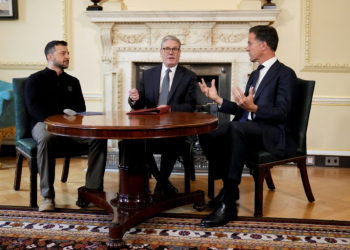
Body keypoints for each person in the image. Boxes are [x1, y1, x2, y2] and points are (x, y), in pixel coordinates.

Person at [198, 25, 299, 226]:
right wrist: (218, 99)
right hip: (247, 128)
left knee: (237, 129)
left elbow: (283, 113)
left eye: (249, 43)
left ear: (263, 45)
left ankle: (228, 203)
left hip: (272, 132)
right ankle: (231, 189)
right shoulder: (255, 74)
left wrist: (254, 108)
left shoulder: (285, 74)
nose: (247, 48)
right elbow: (243, 109)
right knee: (207, 131)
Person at [25, 40, 108, 212]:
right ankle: (47, 197)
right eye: (63, 53)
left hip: (69, 128)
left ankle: (92, 191)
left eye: (68, 53)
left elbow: (81, 110)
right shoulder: (35, 79)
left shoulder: (73, 81)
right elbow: (32, 108)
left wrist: (70, 122)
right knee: (47, 137)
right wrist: (53, 122)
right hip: (43, 125)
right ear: (50, 56)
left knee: (98, 138)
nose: (68, 56)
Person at [128, 35, 197, 195]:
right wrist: (134, 99)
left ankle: (161, 181)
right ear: (161, 52)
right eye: (167, 49)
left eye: (174, 49)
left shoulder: (188, 76)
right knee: (135, 142)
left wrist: (170, 108)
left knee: (170, 140)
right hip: (151, 126)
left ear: (179, 52)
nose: (170, 52)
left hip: (176, 127)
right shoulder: (148, 74)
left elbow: (191, 105)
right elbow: (140, 105)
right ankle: (162, 181)